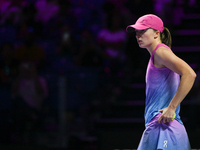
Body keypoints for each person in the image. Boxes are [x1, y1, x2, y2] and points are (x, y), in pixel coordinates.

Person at [126, 14, 196, 150]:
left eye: (142, 31)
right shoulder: (157, 55)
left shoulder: (161, 52)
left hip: (164, 126)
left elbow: (189, 74)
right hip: (158, 125)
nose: (137, 35)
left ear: (156, 33)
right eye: (137, 32)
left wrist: (172, 107)